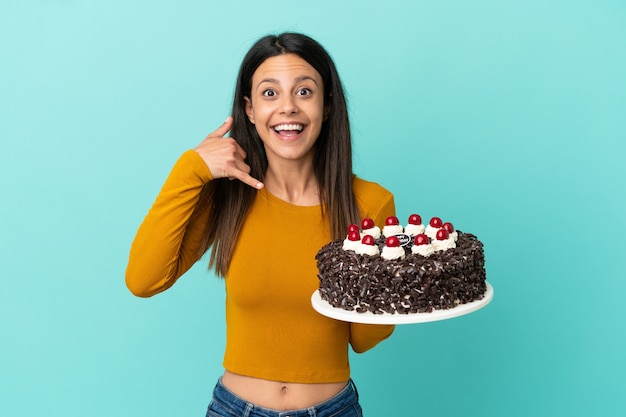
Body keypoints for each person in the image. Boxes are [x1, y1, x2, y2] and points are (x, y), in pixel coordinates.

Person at [126, 32, 396, 417]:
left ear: (328, 105)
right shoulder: (228, 194)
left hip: (333, 409)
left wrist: (380, 282)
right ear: (249, 110)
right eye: (270, 94)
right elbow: (143, 280)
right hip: (235, 409)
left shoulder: (370, 204)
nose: (288, 108)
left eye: (304, 92)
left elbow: (366, 339)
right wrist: (191, 169)